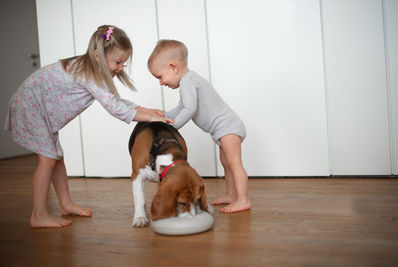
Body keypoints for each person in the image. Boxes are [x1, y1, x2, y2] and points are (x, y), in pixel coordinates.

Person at [4, 25, 172, 228]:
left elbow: (116, 102)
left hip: (38, 106)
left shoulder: (89, 67)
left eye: (123, 63)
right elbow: (117, 109)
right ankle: (38, 214)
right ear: (98, 55)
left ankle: (65, 204)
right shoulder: (90, 75)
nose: (120, 68)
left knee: (56, 157)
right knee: (48, 159)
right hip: (29, 104)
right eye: (118, 62)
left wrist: (149, 112)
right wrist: (150, 117)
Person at [147, 39, 251, 213]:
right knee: (225, 163)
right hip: (223, 129)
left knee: (234, 163)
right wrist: (165, 115)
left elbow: (189, 109)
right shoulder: (189, 80)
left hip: (228, 127)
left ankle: (243, 199)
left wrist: (172, 128)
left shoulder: (188, 81)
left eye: (160, 76)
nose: (161, 82)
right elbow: (182, 107)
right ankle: (232, 195)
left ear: (173, 68)